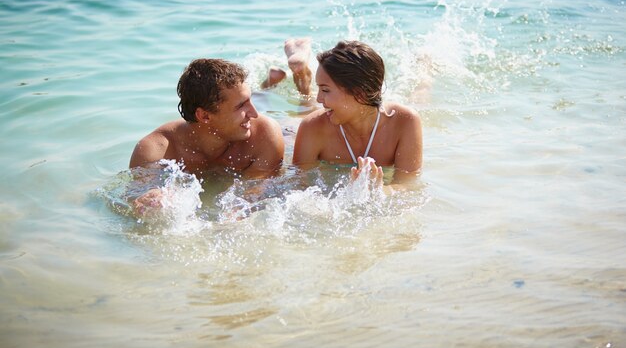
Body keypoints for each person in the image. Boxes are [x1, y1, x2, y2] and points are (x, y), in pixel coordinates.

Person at [129, 58, 284, 213]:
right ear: (204, 116)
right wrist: (150, 200)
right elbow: (137, 197)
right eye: (240, 106)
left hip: (286, 133)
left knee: (293, 116)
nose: (254, 113)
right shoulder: (157, 150)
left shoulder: (264, 135)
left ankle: (290, 79)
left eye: (248, 101)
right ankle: (268, 84)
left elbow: (251, 198)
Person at [276, 39, 422, 187]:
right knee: (304, 112)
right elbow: (300, 185)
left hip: (335, 112)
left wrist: (377, 192)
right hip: (307, 125)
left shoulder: (404, 122)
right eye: (319, 88)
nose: (319, 98)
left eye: (325, 90)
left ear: (359, 93)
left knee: (421, 94)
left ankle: (424, 65)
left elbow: (407, 186)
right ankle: (302, 75)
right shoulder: (313, 127)